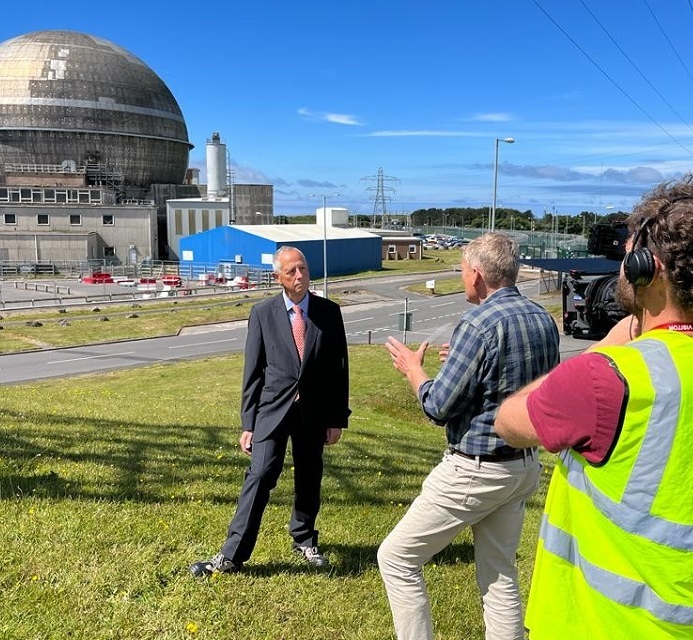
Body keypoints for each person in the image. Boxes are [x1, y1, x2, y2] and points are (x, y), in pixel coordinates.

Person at [495, 175, 693, 639]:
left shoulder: (607, 378)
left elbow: (509, 422)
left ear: (651, 268)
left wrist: (607, 346)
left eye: (629, 255)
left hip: (612, 626)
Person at [379, 232, 560, 640]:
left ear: (476, 275)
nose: (462, 277)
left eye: (462, 270)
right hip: (523, 465)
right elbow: (529, 386)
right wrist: (463, 362)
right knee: (498, 571)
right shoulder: (541, 318)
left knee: (397, 558)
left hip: (476, 469)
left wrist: (414, 371)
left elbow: (438, 406)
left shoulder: (477, 323)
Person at [190, 246, 350, 576]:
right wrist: (248, 422)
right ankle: (232, 555)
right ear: (278, 277)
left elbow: (339, 369)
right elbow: (254, 371)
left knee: (310, 476)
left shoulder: (329, 312)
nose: (300, 276)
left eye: (303, 269)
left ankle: (305, 539)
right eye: (291, 271)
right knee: (261, 475)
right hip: (272, 410)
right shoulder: (263, 313)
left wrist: (336, 419)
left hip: (314, 411)